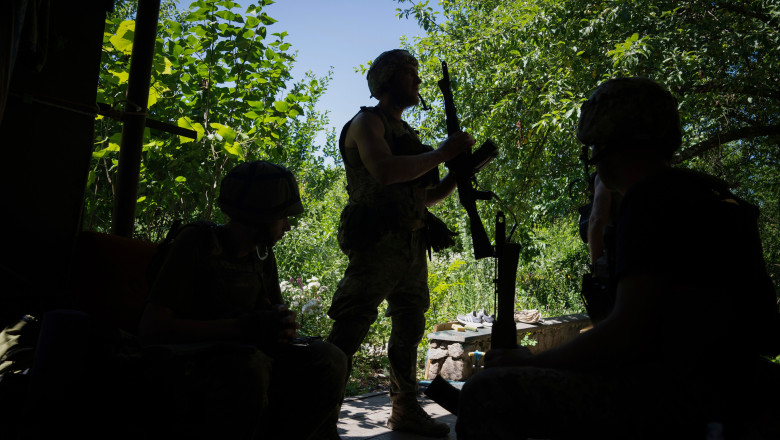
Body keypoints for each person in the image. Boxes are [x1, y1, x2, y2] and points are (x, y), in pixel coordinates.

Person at [455, 77, 780, 439]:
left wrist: (532, 359)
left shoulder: (649, 199)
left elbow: (627, 334)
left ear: (609, 145)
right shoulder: (709, 194)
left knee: (487, 391)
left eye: (594, 148)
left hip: (687, 393)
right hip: (737, 379)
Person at [138, 160, 347, 440]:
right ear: (260, 216)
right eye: (282, 216)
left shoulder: (261, 254)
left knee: (330, 359)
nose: (287, 226)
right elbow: (152, 328)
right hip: (191, 361)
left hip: (243, 353)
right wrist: (240, 327)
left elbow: (271, 311)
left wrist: (281, 325)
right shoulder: (197, 243)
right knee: (250, 370)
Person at [325, 49, 475, 437]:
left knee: (409, 329)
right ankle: (315, 415)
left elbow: (425, 196)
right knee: (350, 326)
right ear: (387, 80)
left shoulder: (407, 134)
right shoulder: (366, 123)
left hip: (411, 242)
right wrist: (443, 152)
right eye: (410, 73)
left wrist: (460, 171)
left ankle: (404, 409)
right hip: (377, 242)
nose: (418, 81)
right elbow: (386, 172)